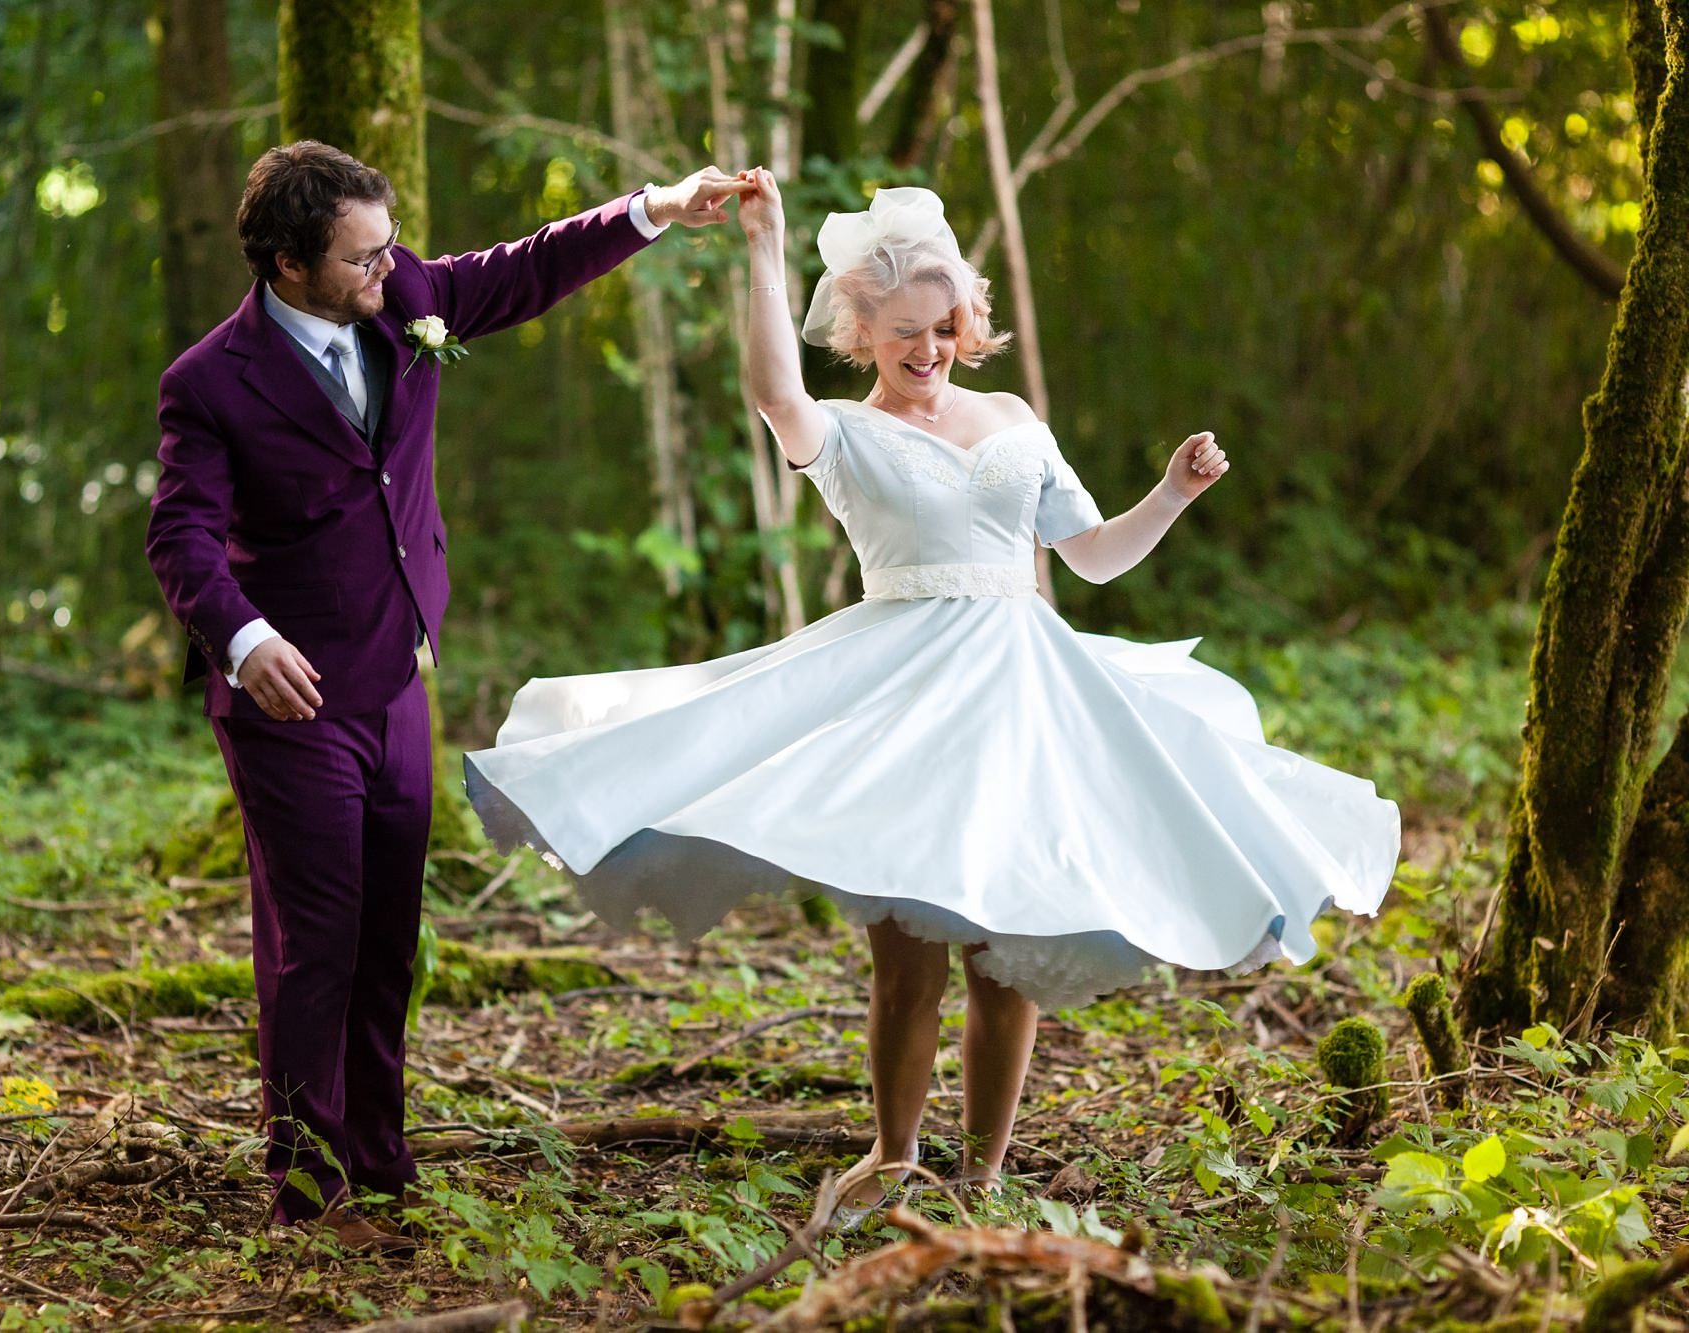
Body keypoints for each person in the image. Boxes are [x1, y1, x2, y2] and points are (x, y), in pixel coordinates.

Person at [463, 174, 1399, 1218]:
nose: (926, 349)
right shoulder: (843, 437)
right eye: (902, 330)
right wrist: (762, 247)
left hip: (1021, 693)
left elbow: (1088, 560)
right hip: (904, 697)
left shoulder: (1009, 416)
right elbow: (775, 394)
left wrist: (1169, 494)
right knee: (906, 961)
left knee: (1009, 953)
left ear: (964, 322)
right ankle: (895, 1155)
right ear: (860, 330)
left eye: (942, 328)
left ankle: (983, 1174)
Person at [145, 141, 746, 1252]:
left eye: (388, 244)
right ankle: (306, 1187)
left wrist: (655, 207)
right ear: (286, 264)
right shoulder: (211, 380)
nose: (391, 266)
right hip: (292, 701)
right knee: (314, 939)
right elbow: (178, 535)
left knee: (389, 936)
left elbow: (525, 268)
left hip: (398, 684)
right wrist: (242, 636)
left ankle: (379, 1162)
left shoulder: (402, 295)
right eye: (363, 254)